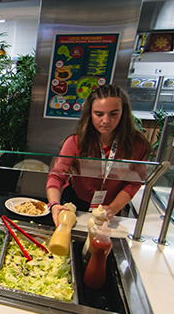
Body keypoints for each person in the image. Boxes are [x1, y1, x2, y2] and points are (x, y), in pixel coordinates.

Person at [46, 84, 150, 224]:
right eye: (99, 114)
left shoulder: (137, 144)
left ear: (123, 113)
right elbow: (57, 176)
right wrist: (54, 204)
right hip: (75, 203)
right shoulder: (75, 142)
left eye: (113, 114)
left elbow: (133, 182)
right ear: (90, 114)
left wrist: (113, 208)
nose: (106, 121)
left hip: (111, 208)